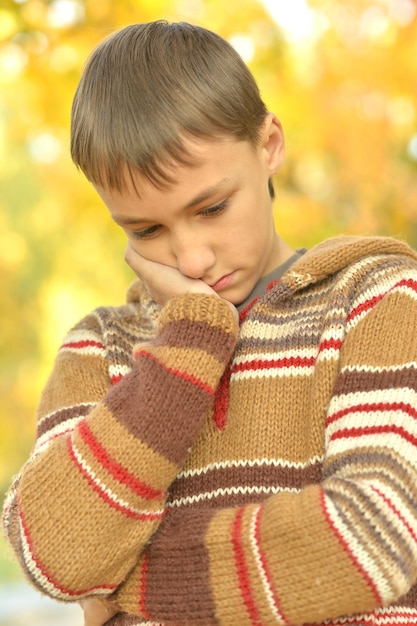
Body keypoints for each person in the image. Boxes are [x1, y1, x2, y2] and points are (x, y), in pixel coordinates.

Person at [3, 19, 417, 626]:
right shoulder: (99, 351)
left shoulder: (375, 299)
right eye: (147, 230)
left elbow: (375, 535)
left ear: (269, 142)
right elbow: (52, 553)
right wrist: (192, 336)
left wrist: (120, 581)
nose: (192, 258)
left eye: (213, 207)